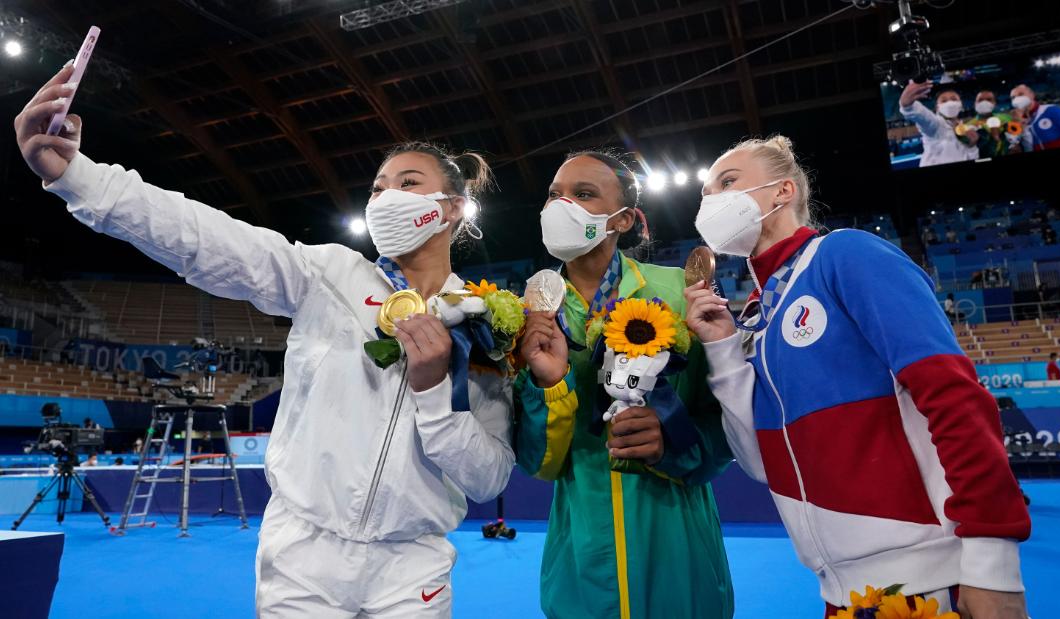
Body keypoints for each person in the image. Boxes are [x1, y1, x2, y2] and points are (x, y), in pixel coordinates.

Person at [16, 64, 516, 618]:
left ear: (450, 208)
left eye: (407, 184)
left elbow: (488, 476)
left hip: (413, 566)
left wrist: (432, 394)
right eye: (376, 188)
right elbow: (207, 239)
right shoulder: (326, 275)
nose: (384, 199)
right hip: (304, 556)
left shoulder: (484, 323)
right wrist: (80, 178)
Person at [685, 135, 1030, 618]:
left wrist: (992, 562)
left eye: (727, 182)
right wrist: (722, 347)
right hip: (841, 593)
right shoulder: (755, 316)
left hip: (934, 580)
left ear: (782, 192)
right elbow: (762, 464)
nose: (710, 201)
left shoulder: (844, 255)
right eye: (704, 193)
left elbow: (953, 395)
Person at [514, 150, 734, 618]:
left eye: (583, 194)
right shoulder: (527, 314)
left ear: (624, 220)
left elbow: (730, 423)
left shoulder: (679, 292)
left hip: (680, 551)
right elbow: (536, 460)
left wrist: (673, 440)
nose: (561, 205)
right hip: (581, 560)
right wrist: (549, 385)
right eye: (554, 195)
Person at [898, 82, 978, 167]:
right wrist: (907, 106)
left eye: (954, 99)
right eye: (944, 100)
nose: (950, 103)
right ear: (937, 108)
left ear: (961, 105)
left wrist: (972, 147)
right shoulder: (936, 125)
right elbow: (923, 116)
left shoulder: (967, 129)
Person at [1010, 84, 1060, 151]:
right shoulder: (1016, 121)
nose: (1016, 99)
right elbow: (1014, 145)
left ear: (1032, 95)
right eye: (1013, 97)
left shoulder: (1052, 110)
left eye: (1021, 94)